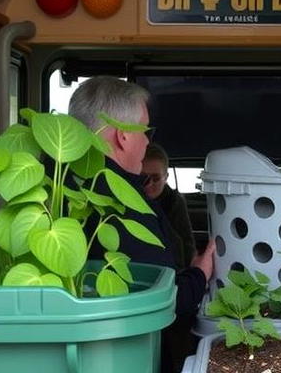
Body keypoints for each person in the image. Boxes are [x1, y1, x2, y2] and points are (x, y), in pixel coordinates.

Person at [67, 76, 215, 316]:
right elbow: (166, 303)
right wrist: (201, 273)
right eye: (146, 131)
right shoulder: (126, 205)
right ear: (123, 136)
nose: (147, 142)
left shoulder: (54, 184)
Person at [141, 142, 196, 271]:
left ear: (166, 177)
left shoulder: (174, 202)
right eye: (143, 178)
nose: (148, 184)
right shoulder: (127, 197)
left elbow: (185, 243)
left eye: (155, 178)